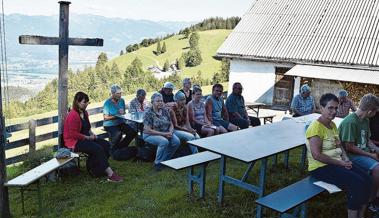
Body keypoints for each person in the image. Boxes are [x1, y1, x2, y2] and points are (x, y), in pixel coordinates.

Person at [306, 93, 370, 218]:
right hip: (320, 167)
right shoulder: (316, 128)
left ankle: (361, 214)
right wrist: (341, 163)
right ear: (321, 108)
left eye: (336, 108)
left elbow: (339, 144)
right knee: (357, 183)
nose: (334, 111)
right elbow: (317, 155)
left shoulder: (332, 125)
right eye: (330, 108)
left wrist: (345, 159)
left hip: (337, 162)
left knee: (367, 179)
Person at [63, 91, 123, 182]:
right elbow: (73, 134)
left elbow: (88, 128)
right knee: (97, 148)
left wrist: (93, 135)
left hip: (85, 138)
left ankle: (97, 170)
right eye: (84, 102)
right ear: (77, 102)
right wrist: (88, 138)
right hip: (74, 142)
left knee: (106, 145)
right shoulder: (73, 115)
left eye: (87, 102)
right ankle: (111, 174)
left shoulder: (85, 113)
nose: (86, 104)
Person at [339, 93, 379, 212]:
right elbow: (349, 147)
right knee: (377, 169)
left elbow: (367, 140)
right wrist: (371, 155)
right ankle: (371, 200)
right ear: (370, 111)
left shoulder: (365, 120)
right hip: (351, 156)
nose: (376, 114)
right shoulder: (350, 122)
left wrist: (377, 150)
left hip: (363, 153)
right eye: (375, 111)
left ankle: (375, 194)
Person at [143, 92, 180, 170]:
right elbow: (147, 130)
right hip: (150, 134)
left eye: (161, 101)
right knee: (164, 141)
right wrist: (164, 134)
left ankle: (166, 160)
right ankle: (157, 163)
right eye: (157, 101)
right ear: (152, 102)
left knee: (176, 141)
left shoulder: (165, 110)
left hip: (166, 132)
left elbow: (170, 123)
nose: (160, 103)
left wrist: (170, 131)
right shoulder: (148, 113)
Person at [103, 85, 137, 161]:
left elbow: (123, 112)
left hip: (120, 123)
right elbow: (105, 117)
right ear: (112, 93)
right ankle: (112, 151)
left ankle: (120, 148)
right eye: (118, 93)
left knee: (132, 132)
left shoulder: (122, 100)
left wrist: (123, 113)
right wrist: (116, 116)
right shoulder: (107, 103)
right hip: (109, 124)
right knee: (118, 134)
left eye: (120, 93)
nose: (120, 95)